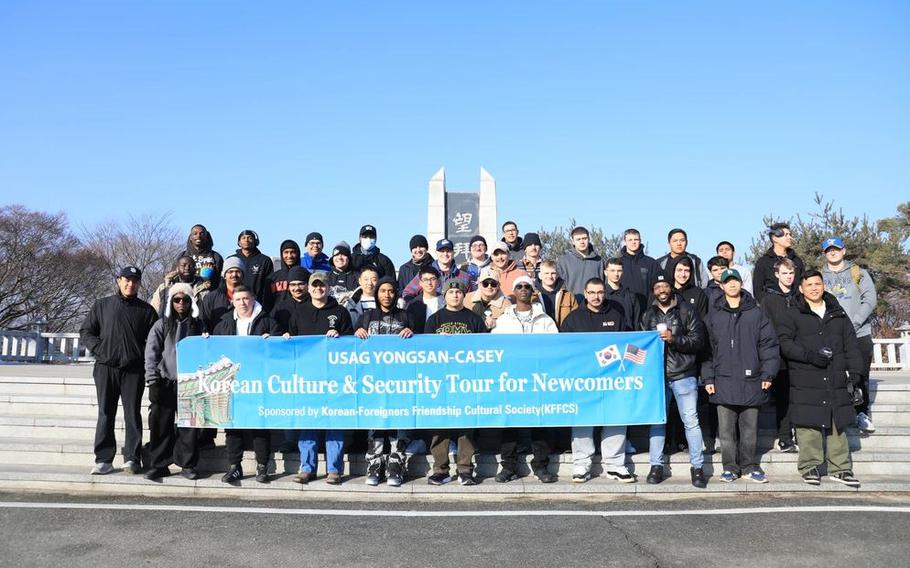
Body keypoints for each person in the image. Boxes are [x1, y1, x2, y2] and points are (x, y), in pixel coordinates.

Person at [776, 271, 863, 487]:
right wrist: (809, 356)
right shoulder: (792, 313)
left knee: (838, 422)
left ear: (824, 286)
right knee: (808, 422)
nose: (814, 288)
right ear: (801, 288)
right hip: (806, 374)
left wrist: (855, 372)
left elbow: (851, 345)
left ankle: (840, 468)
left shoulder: (837, 313)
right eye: (809, 284)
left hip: (835, 374)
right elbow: (785, 343)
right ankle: (810, 466)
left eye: (818, 283)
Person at [702, 268, 779, 484]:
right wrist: (708, 378)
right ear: (722, 286)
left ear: (740, 284)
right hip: (722, 380)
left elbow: (769, 346)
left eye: (735, 281)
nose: (732, 285)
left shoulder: (756, 313)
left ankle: (748, 465)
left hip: (752, 380)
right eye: (728, 282)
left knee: (749, 430)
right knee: (726, 432)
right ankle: (729, 467)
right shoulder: (713, 316)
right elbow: (707, 350)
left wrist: (767, 374)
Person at [80, 266, 159, 475]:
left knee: (132, 413)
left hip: (133, 370)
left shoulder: (147, 310)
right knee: (106, 412)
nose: (130, 284)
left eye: (135, 281)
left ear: (139, 283)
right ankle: (104, 459)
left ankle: (133, 458)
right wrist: (99, 348)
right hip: (106, 367)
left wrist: (139, 354)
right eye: (126, 280)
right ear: (118, 280)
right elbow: (86, 331)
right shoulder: (102, 305)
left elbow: (154, 340)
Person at [560, 278, 635, 483]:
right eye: (592, 292)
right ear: (585, 293)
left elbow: (628, 344)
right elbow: (564, 349)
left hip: (612, 380)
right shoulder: (573, 319)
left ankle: (615, 464)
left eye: (600, 292)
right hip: (584, 381)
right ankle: (582, 464)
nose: (596, 296)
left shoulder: (616, 316)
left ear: (605, 293)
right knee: (583, 421)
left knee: (615, 419)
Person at [640, 274, 708, 488]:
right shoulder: (647, 314)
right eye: (657, 286)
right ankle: (656, 465)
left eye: (665, 285)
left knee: (691, 422)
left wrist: (674, 339)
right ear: (653, 290)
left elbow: (699, 342)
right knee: (658, 422)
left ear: (671, 288)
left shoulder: (687, 310)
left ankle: (697, 467)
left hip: (684, 374)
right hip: (657, 376)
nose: (662, 289)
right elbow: (640, 346)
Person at [287, 271, 354, 484]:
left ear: (328, 287)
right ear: (309, 287)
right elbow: (291, 342)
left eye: (322, 285)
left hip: (334, 378)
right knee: (309, 423)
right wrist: (287, 338)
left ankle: (334, 469)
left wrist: (340, 338)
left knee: (334, 423)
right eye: (314, 285)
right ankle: (307, 468)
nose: (318, 289)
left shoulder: (340, 312)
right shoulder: (299, 312)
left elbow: (351, 343)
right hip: (308, 378)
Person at [492, 276, 559, 483]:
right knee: (509, 422)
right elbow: (495, 349)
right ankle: (508, 466)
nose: (523, 289)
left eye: (527, 286)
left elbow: (556, 347)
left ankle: (541, 466)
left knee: (540, 422)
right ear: (513, 292)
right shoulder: (503, 320)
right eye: (519, 286)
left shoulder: (545, 320)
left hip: (538, 379)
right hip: (512, 379)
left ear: (533, 291)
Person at [212, 285, 278, 484]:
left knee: (259, 425)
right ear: (232, 301)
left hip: (259, 381)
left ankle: (262, 466)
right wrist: (206, 341)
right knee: (232, 425)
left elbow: (280, 349)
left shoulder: (268, 322)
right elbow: (214, 351)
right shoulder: (223, 324)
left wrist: (273, 340)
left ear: (253, 299)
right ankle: (235, 466)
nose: (242, 302)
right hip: (232, 383)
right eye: (238, 299)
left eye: (246, 298)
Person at [354, 277, 415, 487]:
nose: (387, 295)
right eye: (383, 291)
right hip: (374, 380)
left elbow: (418, 347)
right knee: (375, 421)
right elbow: (353, 345)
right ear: (377, 293)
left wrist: (411, 333)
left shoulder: (405, 316)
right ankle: (375, 463)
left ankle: (396, 465)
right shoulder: (366, 316)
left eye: (390, 291)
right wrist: (357, 333)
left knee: (399, 422)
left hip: (399, 380)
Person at [425, 279, 487, 486]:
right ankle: (440, 469)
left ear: (463, 295)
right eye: (451, 292)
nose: (455, 295)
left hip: (467, 381)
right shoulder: (434, 319)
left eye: (458, 292)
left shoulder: (474, 319)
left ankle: (465, 469)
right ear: (445, 295)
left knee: (465, 427)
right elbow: (425, 352)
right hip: (441, 381)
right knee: (439, 426)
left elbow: (484, 350)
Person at [143, 283, 205, 480]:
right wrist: (152, 381)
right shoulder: (161, 324)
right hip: (165, 380)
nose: (181, 303)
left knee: (189, 427)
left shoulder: (199, 325)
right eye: (177, 299)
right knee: (161, 425)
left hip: (190, 382)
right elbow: (151, 353)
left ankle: (187, 465)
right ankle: (159, 464)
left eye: (185, 299)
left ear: (191, 302)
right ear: (171, 301)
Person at [821, 237, 877, 434]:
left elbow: (870, 299)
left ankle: (862, 413)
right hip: (831, 334)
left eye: (836, 249)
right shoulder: (819, 276)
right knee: (834, 375)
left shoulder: (858, 273)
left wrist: (854, 322)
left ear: (843, 251)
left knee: (860, 373)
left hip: (858, 332)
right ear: (824, 253)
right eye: (828, 250)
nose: (832, 253)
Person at [761, 258, 799, 452]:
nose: (789, 277)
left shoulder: (800, 296)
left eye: (791, 273)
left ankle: (801, 433)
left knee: (799, 397)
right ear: (777, 275)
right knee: (783, 398)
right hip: (779, 355)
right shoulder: (769, 299)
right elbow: (766, 328)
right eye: (784, 273)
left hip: (800, 355)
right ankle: (784, 437)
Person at [401, 239, 472, 301]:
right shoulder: (425, 274)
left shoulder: (464, 277)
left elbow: (470, 299)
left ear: (453, 253)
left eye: (448, 251)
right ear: (436, 253)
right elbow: (407, 293)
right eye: (442, 251)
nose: (445, 254)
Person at [753, 222, 805, 303]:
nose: (790, 237)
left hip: (796, 308)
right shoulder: (763, 262)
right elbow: (758, 290)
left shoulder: (797, 261)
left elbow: (803, 284)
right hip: (772, 309)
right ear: (775, 238)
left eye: (790, 234)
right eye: (786, 235)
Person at [557, 226, 606, 300]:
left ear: (589, 239)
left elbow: (604, 282)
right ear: (573, 241)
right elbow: (560, 285)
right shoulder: (564, 261)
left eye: (584, 238)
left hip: (595, 303)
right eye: (578, 239)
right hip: (572, 304)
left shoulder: (599, 261)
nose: (582, 242)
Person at [199, 255, 246, 333]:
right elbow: (203, 322)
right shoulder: (212, 297)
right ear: (224, 275)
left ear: (243, 275)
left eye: (238, 271)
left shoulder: (250, 297)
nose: (234, 275)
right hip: (217, 341)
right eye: (230, 272)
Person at [618, 228, 660, 307]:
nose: (633, 242)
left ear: (640, 241)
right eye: (630, 240)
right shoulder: (618, 263)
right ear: (625, 242)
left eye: (636, 239)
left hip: (646, 309)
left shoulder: (651, 263)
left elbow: (657, 287)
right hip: (623, 309)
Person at [234, 229, 274, 306]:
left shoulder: (264, 260)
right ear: (239, 242)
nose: (246, 240)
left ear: (256, 242)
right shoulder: (233, 260)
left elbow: (269, 285)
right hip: (237, 303)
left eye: (250, 238)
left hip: (258, 303)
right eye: (243, 238)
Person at [178, 224, 224, 288]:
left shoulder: (215, 256)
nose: (198, 236)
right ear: (190, 237)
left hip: (209, 293)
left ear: (206, 237)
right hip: (187, 292)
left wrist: (209, 276)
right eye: (195, 233)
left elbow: (221, 279)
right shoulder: (183, 256)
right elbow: (175, 275)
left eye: (202, 233)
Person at [270, 266, 311, 334]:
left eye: (301, 284)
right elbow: (270, 327)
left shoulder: (315, 305)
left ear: (307, 285)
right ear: (288, 287)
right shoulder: (280, 307)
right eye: (293, 285)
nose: (297, 288)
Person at [537, 259, 578, 327]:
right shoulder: (533, 297)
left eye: (553, 273)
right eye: (546, 273)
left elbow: (576, 319)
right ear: (540, 276)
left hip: (563, 335)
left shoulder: (568, 296)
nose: (550, 276)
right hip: (540, 336)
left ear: (557, 275)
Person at [404, 265, 444, 334]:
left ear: (438, 282)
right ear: (420, 283)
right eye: (425, 280)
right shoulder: (413, 305)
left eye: (433, 279)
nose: (429, 283)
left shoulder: (445, 302)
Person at [604, 257, 641, 330]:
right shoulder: (601, 296)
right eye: (612, 270)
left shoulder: (631, 296)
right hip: (607, 338)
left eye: (619, 270)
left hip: (628, 338)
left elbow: (636, 323)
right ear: (605, 272)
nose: (616, 274)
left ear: (623, 272)